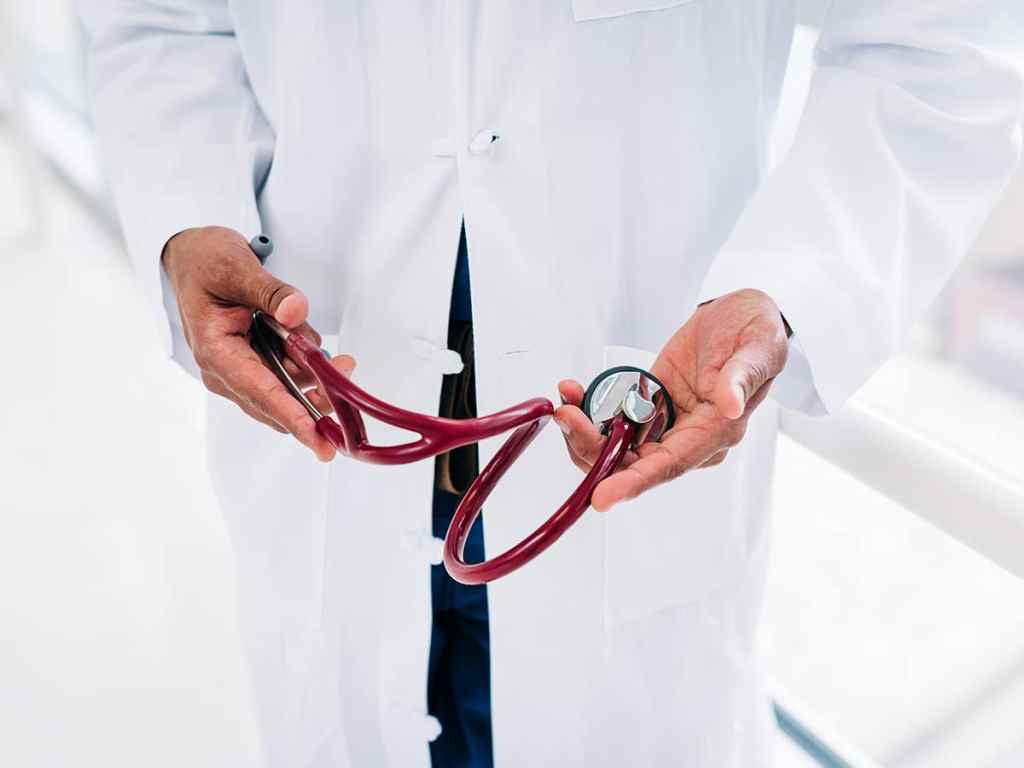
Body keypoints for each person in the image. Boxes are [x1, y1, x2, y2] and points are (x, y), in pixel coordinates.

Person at [79, 2, 1022, 766]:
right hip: (323, 424)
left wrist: (792, 288)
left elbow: (938, 40)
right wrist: (187, 210)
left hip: (630, 473)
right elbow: (159, 21)